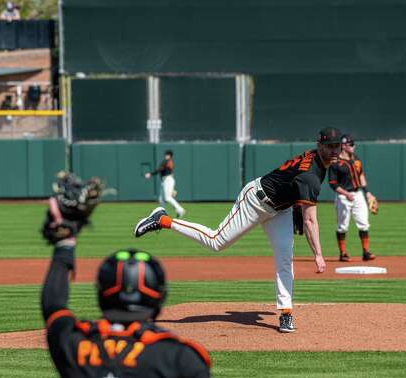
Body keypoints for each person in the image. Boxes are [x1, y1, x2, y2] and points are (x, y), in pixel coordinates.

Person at [40, 191, 292, 378]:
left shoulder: (74, 343)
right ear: (159, 297)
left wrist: (65, 243)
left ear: (101, 293)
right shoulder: (178, 356)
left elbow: (53, 306)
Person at [134, 127, 342, 333]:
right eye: (329, 146)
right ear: (319, 146)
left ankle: (286, 313)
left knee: (285, 259)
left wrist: (294, 203)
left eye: (337, 146)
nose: (334, 151)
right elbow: (310, 221)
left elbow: (291, 180)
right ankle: (163, 220)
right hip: (255, 200)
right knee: (217, 242)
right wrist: (319, 255)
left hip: (280, 210)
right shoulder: (311, 175)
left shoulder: (318, 161)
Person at [328, 134, 376, 262]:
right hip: (343, 196)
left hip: (358, 194)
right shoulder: (335, 162)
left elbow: (361, 177)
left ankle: (366, 252)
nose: (353, 146)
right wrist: (345, 194)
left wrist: (367, 193)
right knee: (342, 226)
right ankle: (343, 253)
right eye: (350, 144)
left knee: (364, 224)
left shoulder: (356, 159)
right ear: (343, 146)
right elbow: (333, 184)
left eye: (353, 144)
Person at [145, 149, 186, 218]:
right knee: (161, 199)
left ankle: (180, 209)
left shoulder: (167, 161)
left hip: (168, 180)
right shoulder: (168, 161)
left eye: (167, 154)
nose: (165, 155)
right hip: (166, 180)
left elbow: (160, 169)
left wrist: (150, 174)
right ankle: (162, 214)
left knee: (168, 198)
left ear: (168, 155)